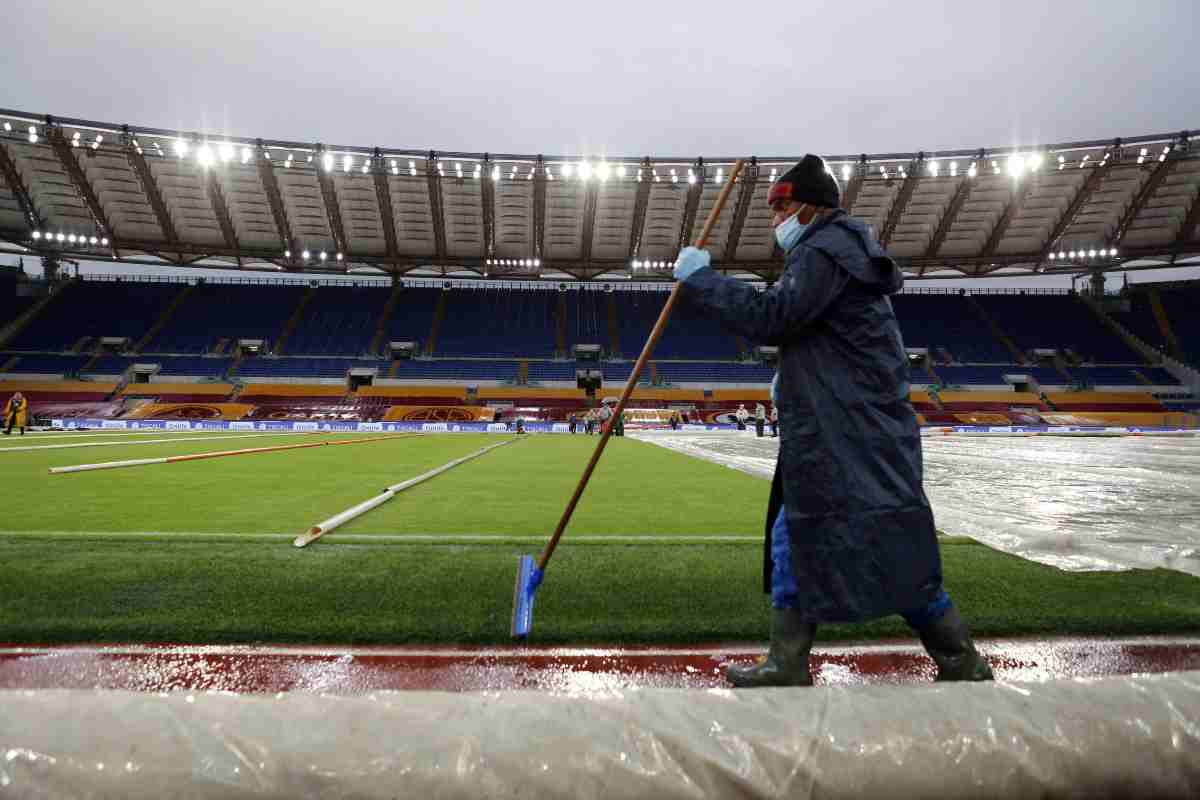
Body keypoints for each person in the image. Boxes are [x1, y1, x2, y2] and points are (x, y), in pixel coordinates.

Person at [673, 154, 992, 688]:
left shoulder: (823, 251)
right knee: (824, 537)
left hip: (848, 434)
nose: (776, 220)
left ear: (810, 208)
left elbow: (773, 316)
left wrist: (703, 280)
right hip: (847, 428)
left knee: (865, 541)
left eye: (782, 208)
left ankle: (954, 658)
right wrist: (793, 376)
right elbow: (817, 334)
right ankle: (800, 660)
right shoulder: (837, 250)